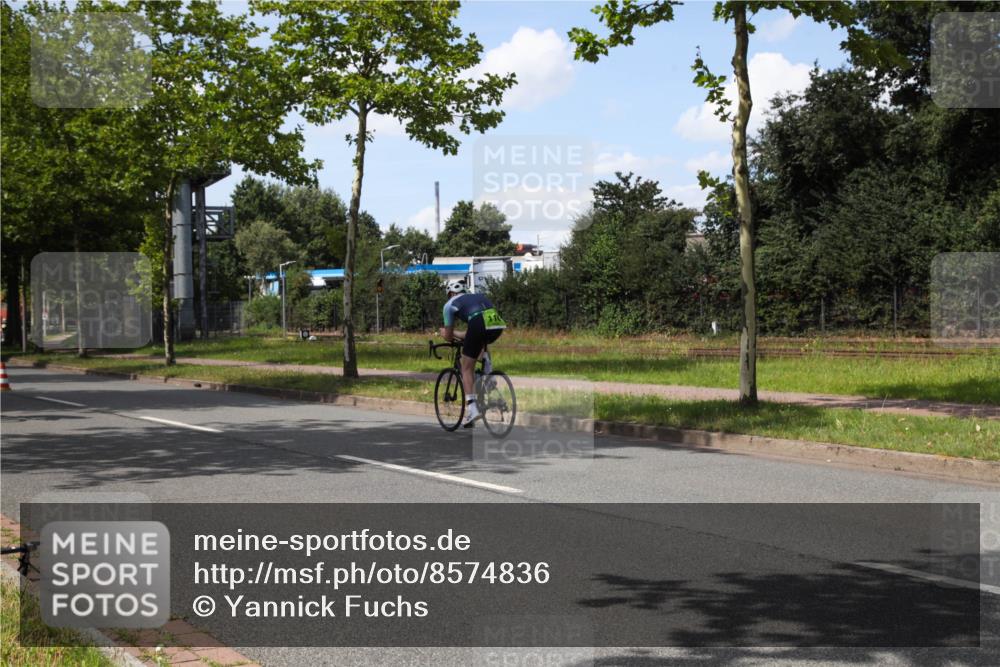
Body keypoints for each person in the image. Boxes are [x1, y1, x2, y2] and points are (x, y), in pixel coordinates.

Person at [438, 279, 506, 427]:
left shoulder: (449, 305)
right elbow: (470, 333)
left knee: (466, 368)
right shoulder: (478, 296)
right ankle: (489, 378)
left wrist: (445, 333)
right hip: (497, 324)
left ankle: (472, 409)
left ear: (450, 293)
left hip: (478, 324)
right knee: (480, 345)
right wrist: (458, 333)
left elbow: (449, 337)